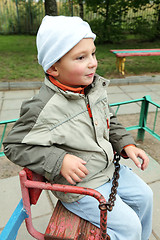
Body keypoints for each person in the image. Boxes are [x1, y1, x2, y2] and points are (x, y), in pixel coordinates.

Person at [3, 16, 153, 240]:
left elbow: (107, 116)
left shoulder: (91, 88)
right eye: (81, 57)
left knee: (146, 196)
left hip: (108, 169)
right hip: (81, 185)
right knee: (129, 226)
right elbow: (13, 145)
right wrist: (58, 160)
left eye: (93, 53)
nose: (93, 62)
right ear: (53, 67)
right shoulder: (42, 107)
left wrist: (125, 143)